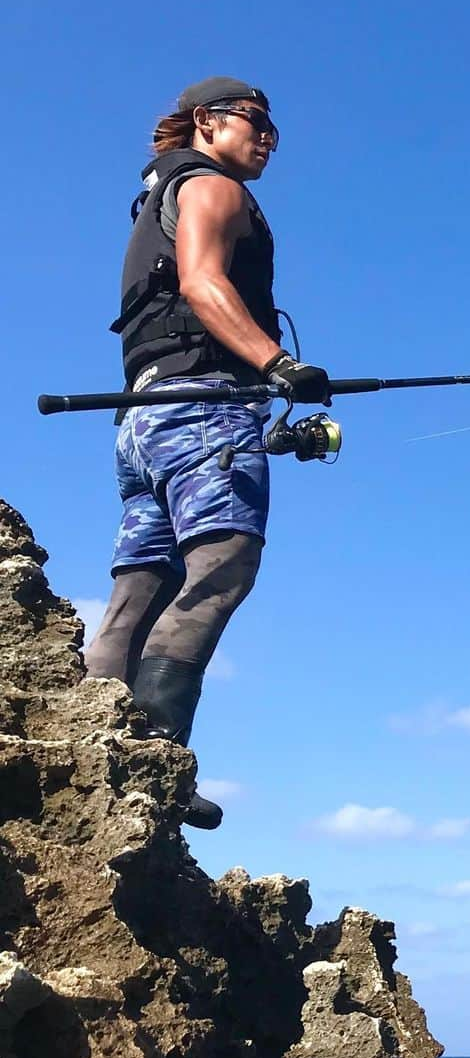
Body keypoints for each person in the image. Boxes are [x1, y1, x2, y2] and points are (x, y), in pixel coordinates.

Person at [84, 76, 331, 830]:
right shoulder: (211, 187)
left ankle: (87, 746)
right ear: (206, 122)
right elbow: (201, 282)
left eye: (273, 131)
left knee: (140, 588)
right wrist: (276, 365)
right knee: (224, 564)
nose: (266, 139)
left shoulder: (156, 192)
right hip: (202, 408)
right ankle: (155, 761)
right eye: (255, 122)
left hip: (142, 421)